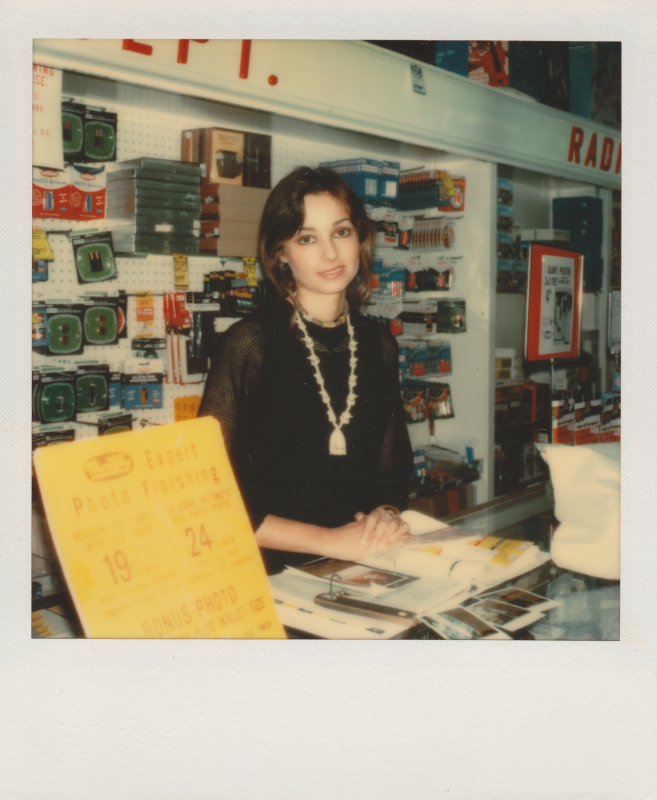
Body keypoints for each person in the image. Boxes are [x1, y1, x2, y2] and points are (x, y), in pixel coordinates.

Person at [199, 166, 413, 574]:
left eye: (342, 232)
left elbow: (391, 474)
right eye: (307, 238)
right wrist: (330, 541)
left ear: (361, 238)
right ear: (281, 252)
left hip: (359, 567)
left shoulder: (378, 344)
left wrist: (385, 514)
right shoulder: (249, 344)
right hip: (268, 576)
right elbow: (210, 491)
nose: (330, 254)